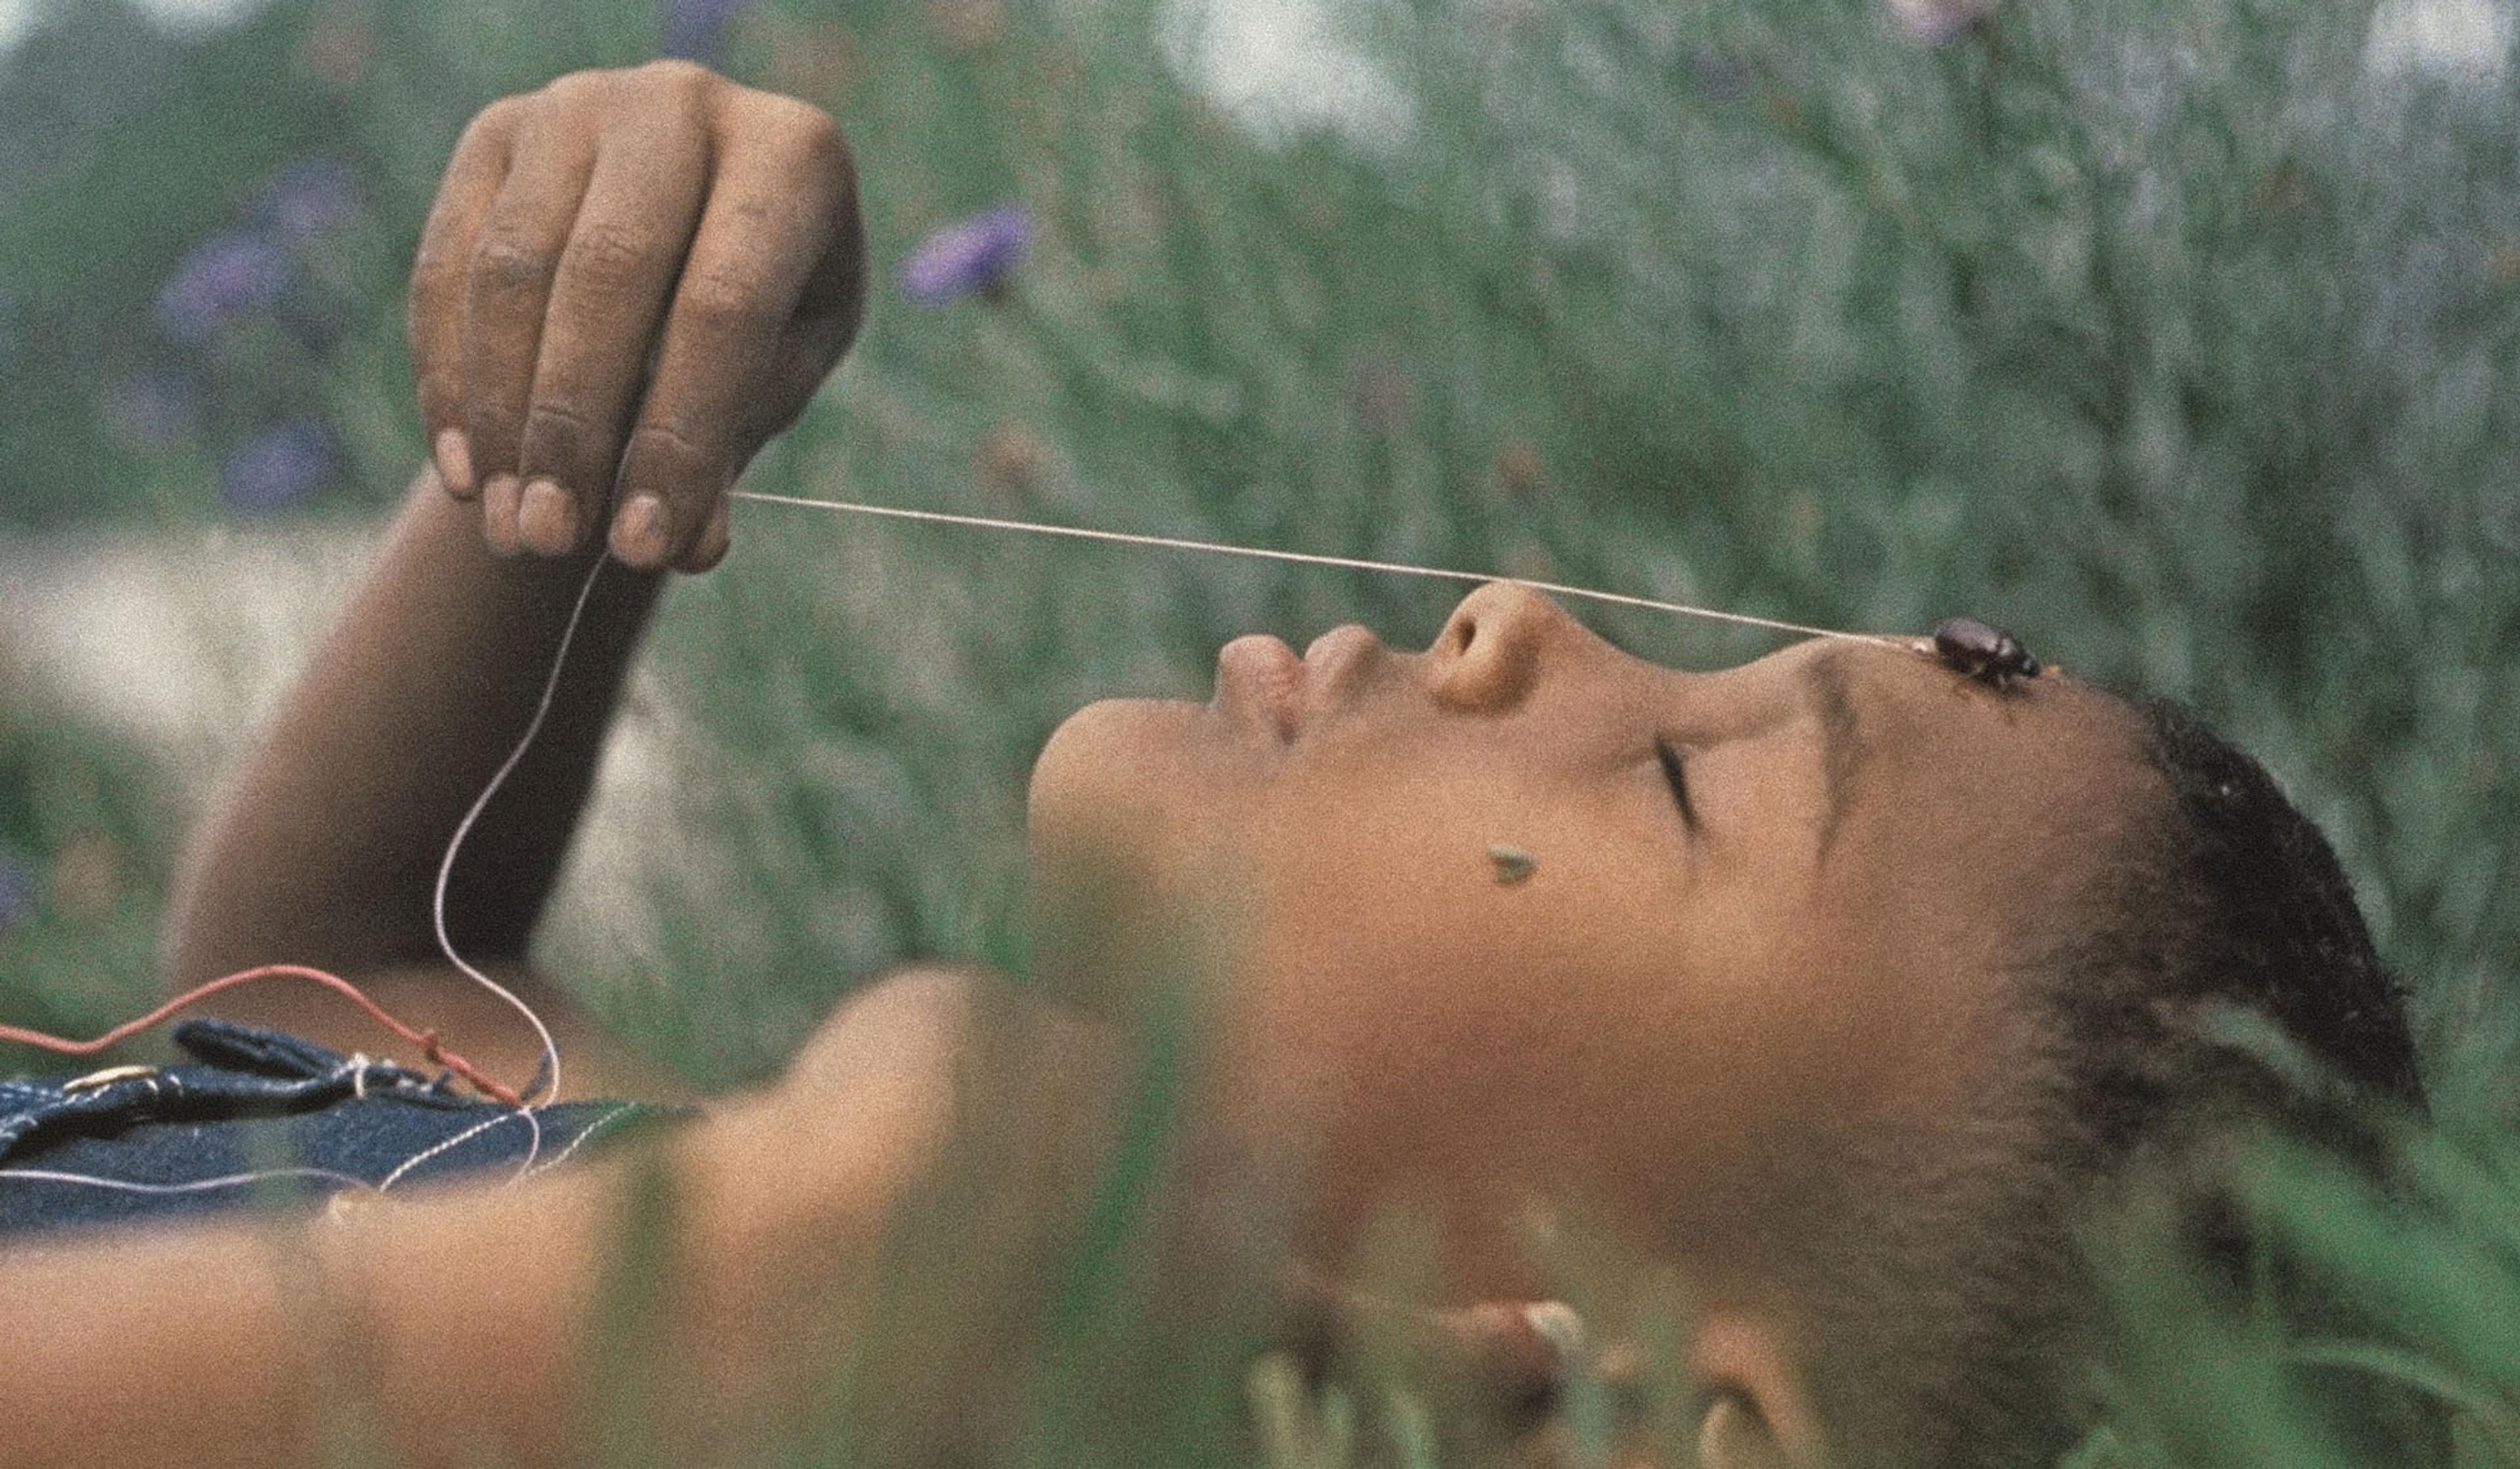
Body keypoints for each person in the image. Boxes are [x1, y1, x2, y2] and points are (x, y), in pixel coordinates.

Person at [0, 60, 2429, 1469]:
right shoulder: (837, 1247)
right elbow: (336, 984)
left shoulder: (806, 1317)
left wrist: (691, 1316)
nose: (1518, 615)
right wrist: (574, 460)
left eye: (1697, 787)